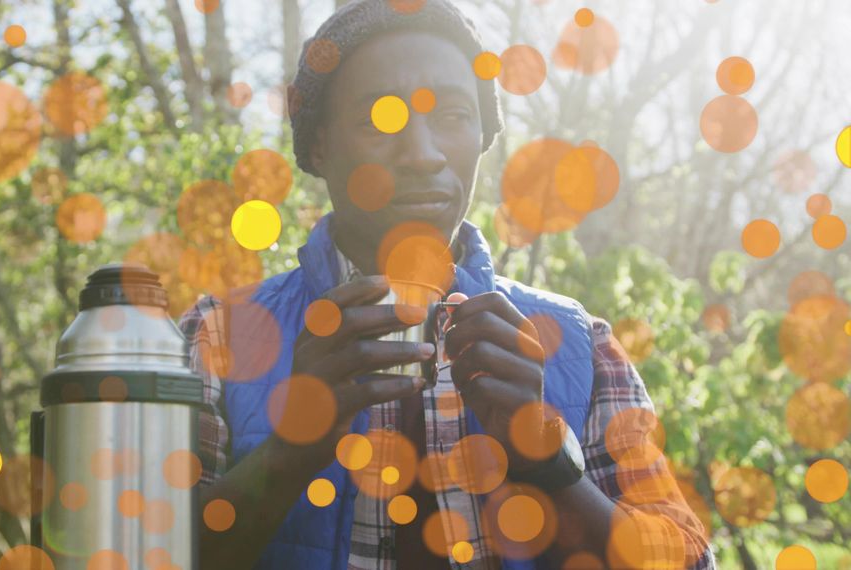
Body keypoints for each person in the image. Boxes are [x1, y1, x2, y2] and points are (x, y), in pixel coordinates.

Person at [179, 0, 716, 568]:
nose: (423, 154)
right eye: (377, 121)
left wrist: (547, 461)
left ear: (483, 136)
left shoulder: (579, 341)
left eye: (455, 116)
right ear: (317, 144)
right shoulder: (219, 338)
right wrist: (291, 450)